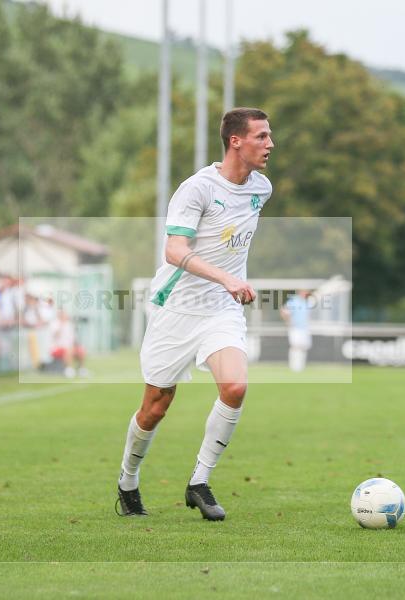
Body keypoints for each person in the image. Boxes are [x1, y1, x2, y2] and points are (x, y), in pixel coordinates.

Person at [115, 107, 274, 520]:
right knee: (156, 405)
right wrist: (225, 277)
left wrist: (227, 283)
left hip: (221, 308)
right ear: (235, 141)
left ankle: (199, 482)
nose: (270, 144)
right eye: (261, 136)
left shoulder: (262, 188)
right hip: (177, 307)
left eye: (269, 136)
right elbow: (175, 251)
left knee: (235, 387)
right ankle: (127, 480)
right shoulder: (196, 189)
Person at [280, 290, 313, 372]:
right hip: (295, 328)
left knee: (303, 346)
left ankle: (301, 366)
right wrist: (288, 321)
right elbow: (284, 311)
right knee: (295, 346)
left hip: (304, 328)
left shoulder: (307, 302)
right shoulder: (294, 301)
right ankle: (294, 366)